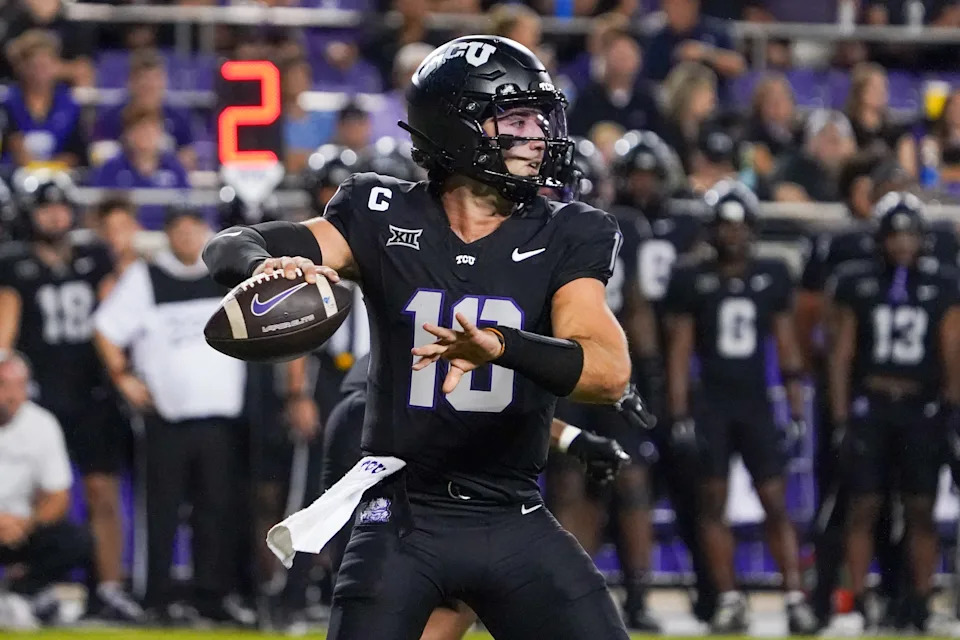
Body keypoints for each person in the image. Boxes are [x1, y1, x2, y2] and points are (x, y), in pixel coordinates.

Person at [204, 35, 634, 639]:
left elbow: (609, 372)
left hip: (511, 512)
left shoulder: (569, 230)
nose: (537, 135)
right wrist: (265, 267)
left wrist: (504, 345)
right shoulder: (379, 212)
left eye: (539, 118)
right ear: (458, 127)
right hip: (403, 516)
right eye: (515, 118)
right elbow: (230, 244)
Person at [322, 354, 647, 640]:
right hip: (390, 437)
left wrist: (575, 439)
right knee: (459, 573)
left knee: (422, 586)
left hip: (363, 424)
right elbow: (481, 402)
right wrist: (576, 439)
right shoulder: (483, 319)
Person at [663, 181, 818, 634]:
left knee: (775, 501)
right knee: (713, 503)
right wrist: (679, 414)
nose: (732, 234)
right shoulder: (693, 277)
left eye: (738, 225)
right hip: (712, 402)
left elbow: (787, 348)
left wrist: (794, 409)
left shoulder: (772, 273)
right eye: (724, 226)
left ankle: (794, 596)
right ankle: (730, 598)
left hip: (752, 403)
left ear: (752, 228)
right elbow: (679, 351)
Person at [93, 208, 251, 626]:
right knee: (159, 512)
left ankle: (211, 598)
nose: (186, 238)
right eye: (178, 230)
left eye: (193, 229)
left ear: (206, 233)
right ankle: (155, 598)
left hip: (219, 417)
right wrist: (122, 376)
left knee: (216, 511)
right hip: (166, 418)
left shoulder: (226, 275)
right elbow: (106, 329)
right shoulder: (146, 278)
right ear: (167, 236)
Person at [0, 175, 142, 622]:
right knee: (34, 494)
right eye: (46, 208)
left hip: (93, 393)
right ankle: (32, 585)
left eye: (62, 207)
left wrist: (122, 372)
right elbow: (7, 322)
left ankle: (110, 587)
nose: (56, 215)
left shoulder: (93, 257)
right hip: (38, 398)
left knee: (102, 491)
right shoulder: (14, 262)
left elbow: (114, 315)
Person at [825, 192, 960, 636]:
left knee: (921, 509)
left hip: (922, 407)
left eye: (909, 234)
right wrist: (842, 416)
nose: (902, 243)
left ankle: (920, 605)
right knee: (862, 508)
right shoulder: (857, 281)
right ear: (880, 237)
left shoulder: (942, 283)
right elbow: (841, 355)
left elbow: (952, 352)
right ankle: (852, 606)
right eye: (895, 234)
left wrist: (952, 410)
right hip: (873, 405)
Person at [607, 131, 719, 624]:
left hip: (674, 367)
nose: (645, 185)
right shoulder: (612, 224)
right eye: (638, 175)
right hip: (618, 362)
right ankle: (629, 596)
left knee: (691, 489)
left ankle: (713, 592)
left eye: (653, 175)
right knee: (617, 487)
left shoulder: (689, 223)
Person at [0, 351, 91, 625]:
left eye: (20, 385)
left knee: (75, 540)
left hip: (20, 528)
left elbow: (59, 497)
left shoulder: (42, 424)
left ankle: (20, 594)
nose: (13, 395)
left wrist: (27, 523)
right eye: (4, 385)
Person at [92, 49, 198, 171]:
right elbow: (99, 159)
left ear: (163, 82)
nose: (149, 86)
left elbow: (188, 161)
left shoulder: (178, 120)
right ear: (131, 82)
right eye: (144, 80)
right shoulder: (110, 120)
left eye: (155, 80)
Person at [90, 107, 190, 230]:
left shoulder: (174, 168)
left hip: (169, 236)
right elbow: (98, 211)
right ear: (127, 134)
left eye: (151, 129)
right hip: (124, 238)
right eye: (139, 130)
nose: (145, 135)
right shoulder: (110, 169)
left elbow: (187, 207)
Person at [0, 30, 86, 169]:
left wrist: (48, 169)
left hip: (59, 177)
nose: (40, 73)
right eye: (35, 66)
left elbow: (77, 154)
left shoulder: (70, 105)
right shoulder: (7, 104)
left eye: (46, 66)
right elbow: (13, 146)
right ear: (21, 68)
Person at [644, 0, 745, 103]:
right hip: (673, 107)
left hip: (716, 104)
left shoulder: (714, 31)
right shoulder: (658, 40)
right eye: (670, 6)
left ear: (694, 5)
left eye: (680, 6)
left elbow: (737, 66)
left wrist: (704, 54)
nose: (675, 12)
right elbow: (650, 80)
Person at [567, 29, 660, 138]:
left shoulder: (647, 99)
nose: (623, 61)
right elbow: (575, 134)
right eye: (618, 55)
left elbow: (660, 137)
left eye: (628, 56)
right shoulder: (588, 98)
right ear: (606, 58)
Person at [771, 109, 857, 203]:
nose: (837, 147)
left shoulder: (858, 173)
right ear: (811, 143)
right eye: (830, 139)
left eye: (841, 137)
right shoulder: (793, 170)